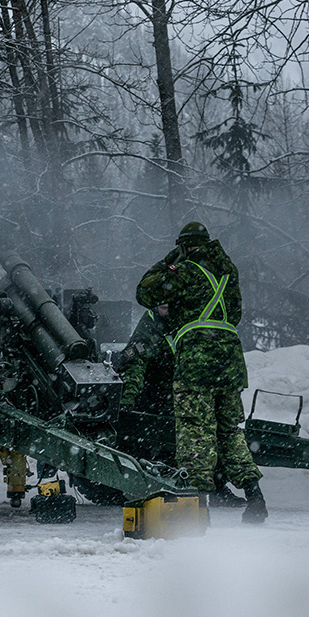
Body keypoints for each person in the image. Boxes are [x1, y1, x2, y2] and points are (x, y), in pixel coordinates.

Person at [135, 222, 267, 523]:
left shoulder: (185, 271)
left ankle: (198, 506)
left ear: (184, 246)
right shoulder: (227, 271)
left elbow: (144, 291)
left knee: (196, 431)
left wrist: (169, 261)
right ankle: (254, 494)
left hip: (197, 360)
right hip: (229, 360)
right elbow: (234, 314)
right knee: (229, 431)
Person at [116, 306, 248, 508]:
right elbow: (135, 362)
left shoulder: (192, 317)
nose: (166, 307)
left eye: (171, 303)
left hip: (191, 390)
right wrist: (128, 399)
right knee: (175, 442)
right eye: (162, 304)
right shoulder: (151, 324)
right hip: (158, 393)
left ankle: (216, 487)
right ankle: (176, 489)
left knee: (211, 436)